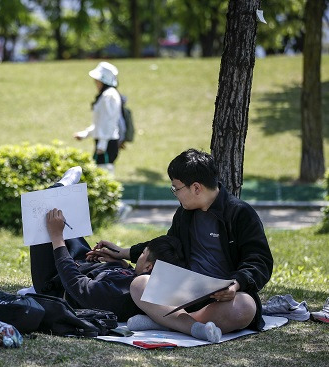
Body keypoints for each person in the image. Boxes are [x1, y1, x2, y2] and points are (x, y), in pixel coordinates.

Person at [88, 148, 274, 343]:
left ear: (196, 188)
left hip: (223, 298)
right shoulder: (184, 214)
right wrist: (123, 252)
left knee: (245, 307)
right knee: (139, 284)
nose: (175, 193)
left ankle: (167, 321)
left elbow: (259, 261)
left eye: (176, 188)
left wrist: (235, 285)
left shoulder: (240, 214)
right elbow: (167, 245)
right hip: (185, 292)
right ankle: (191, 326)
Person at [26, 168, 184, 322]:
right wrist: (119, 263)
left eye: (143, 254)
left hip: (56, 281)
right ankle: (63, 191)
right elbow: (124, 276)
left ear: (149, 268)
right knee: (66, 220)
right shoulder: (139, 279)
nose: (138, 257)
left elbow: (75, 284)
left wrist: (57, 237)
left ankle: (60, 187)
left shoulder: (120, 294)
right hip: (82, 263)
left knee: (46, 208)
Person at [74, 61, 122, 174]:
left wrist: (102, 144)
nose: (95, 82)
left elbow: (109, 122)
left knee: (104, 174)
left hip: (106, 143)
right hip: (103, 142)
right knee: (100, 172)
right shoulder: (106, 95)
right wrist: (85, 134)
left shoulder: (109, 95)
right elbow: (100, 122)